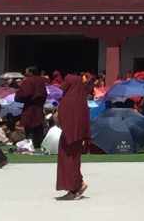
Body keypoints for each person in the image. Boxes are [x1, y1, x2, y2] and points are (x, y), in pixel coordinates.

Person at [54, 70, 90, 201]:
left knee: (68, 161)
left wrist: (57, 116)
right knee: (74, 160)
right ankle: (79, 184)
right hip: (77, 134)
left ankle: (75, 188)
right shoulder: (81, 97)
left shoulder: (68, 98)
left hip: (69, 135)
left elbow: (59, 117)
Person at [15, 66, 50, 151]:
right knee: (38, 126)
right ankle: (38, 143)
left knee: (29, 126)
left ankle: (29, 143)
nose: (25, 73)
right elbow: (44, 93)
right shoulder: (41, 81)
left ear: (31, 72)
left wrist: (18, 96)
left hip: (30, 106)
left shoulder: (29, 80)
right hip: (39, 106)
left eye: (26, 71)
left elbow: (25, 93)